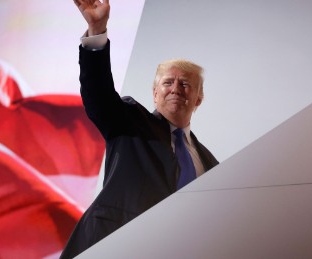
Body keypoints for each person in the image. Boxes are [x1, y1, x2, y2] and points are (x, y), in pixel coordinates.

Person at [60, 0, 219, 258]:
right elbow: (97, 92)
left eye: (186, 84)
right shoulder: (130, 121)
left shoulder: (211, 164)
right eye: (168, 82)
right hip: (111, 247)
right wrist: (97, 30)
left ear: (199, 98)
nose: (176, 88)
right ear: (155, 93)